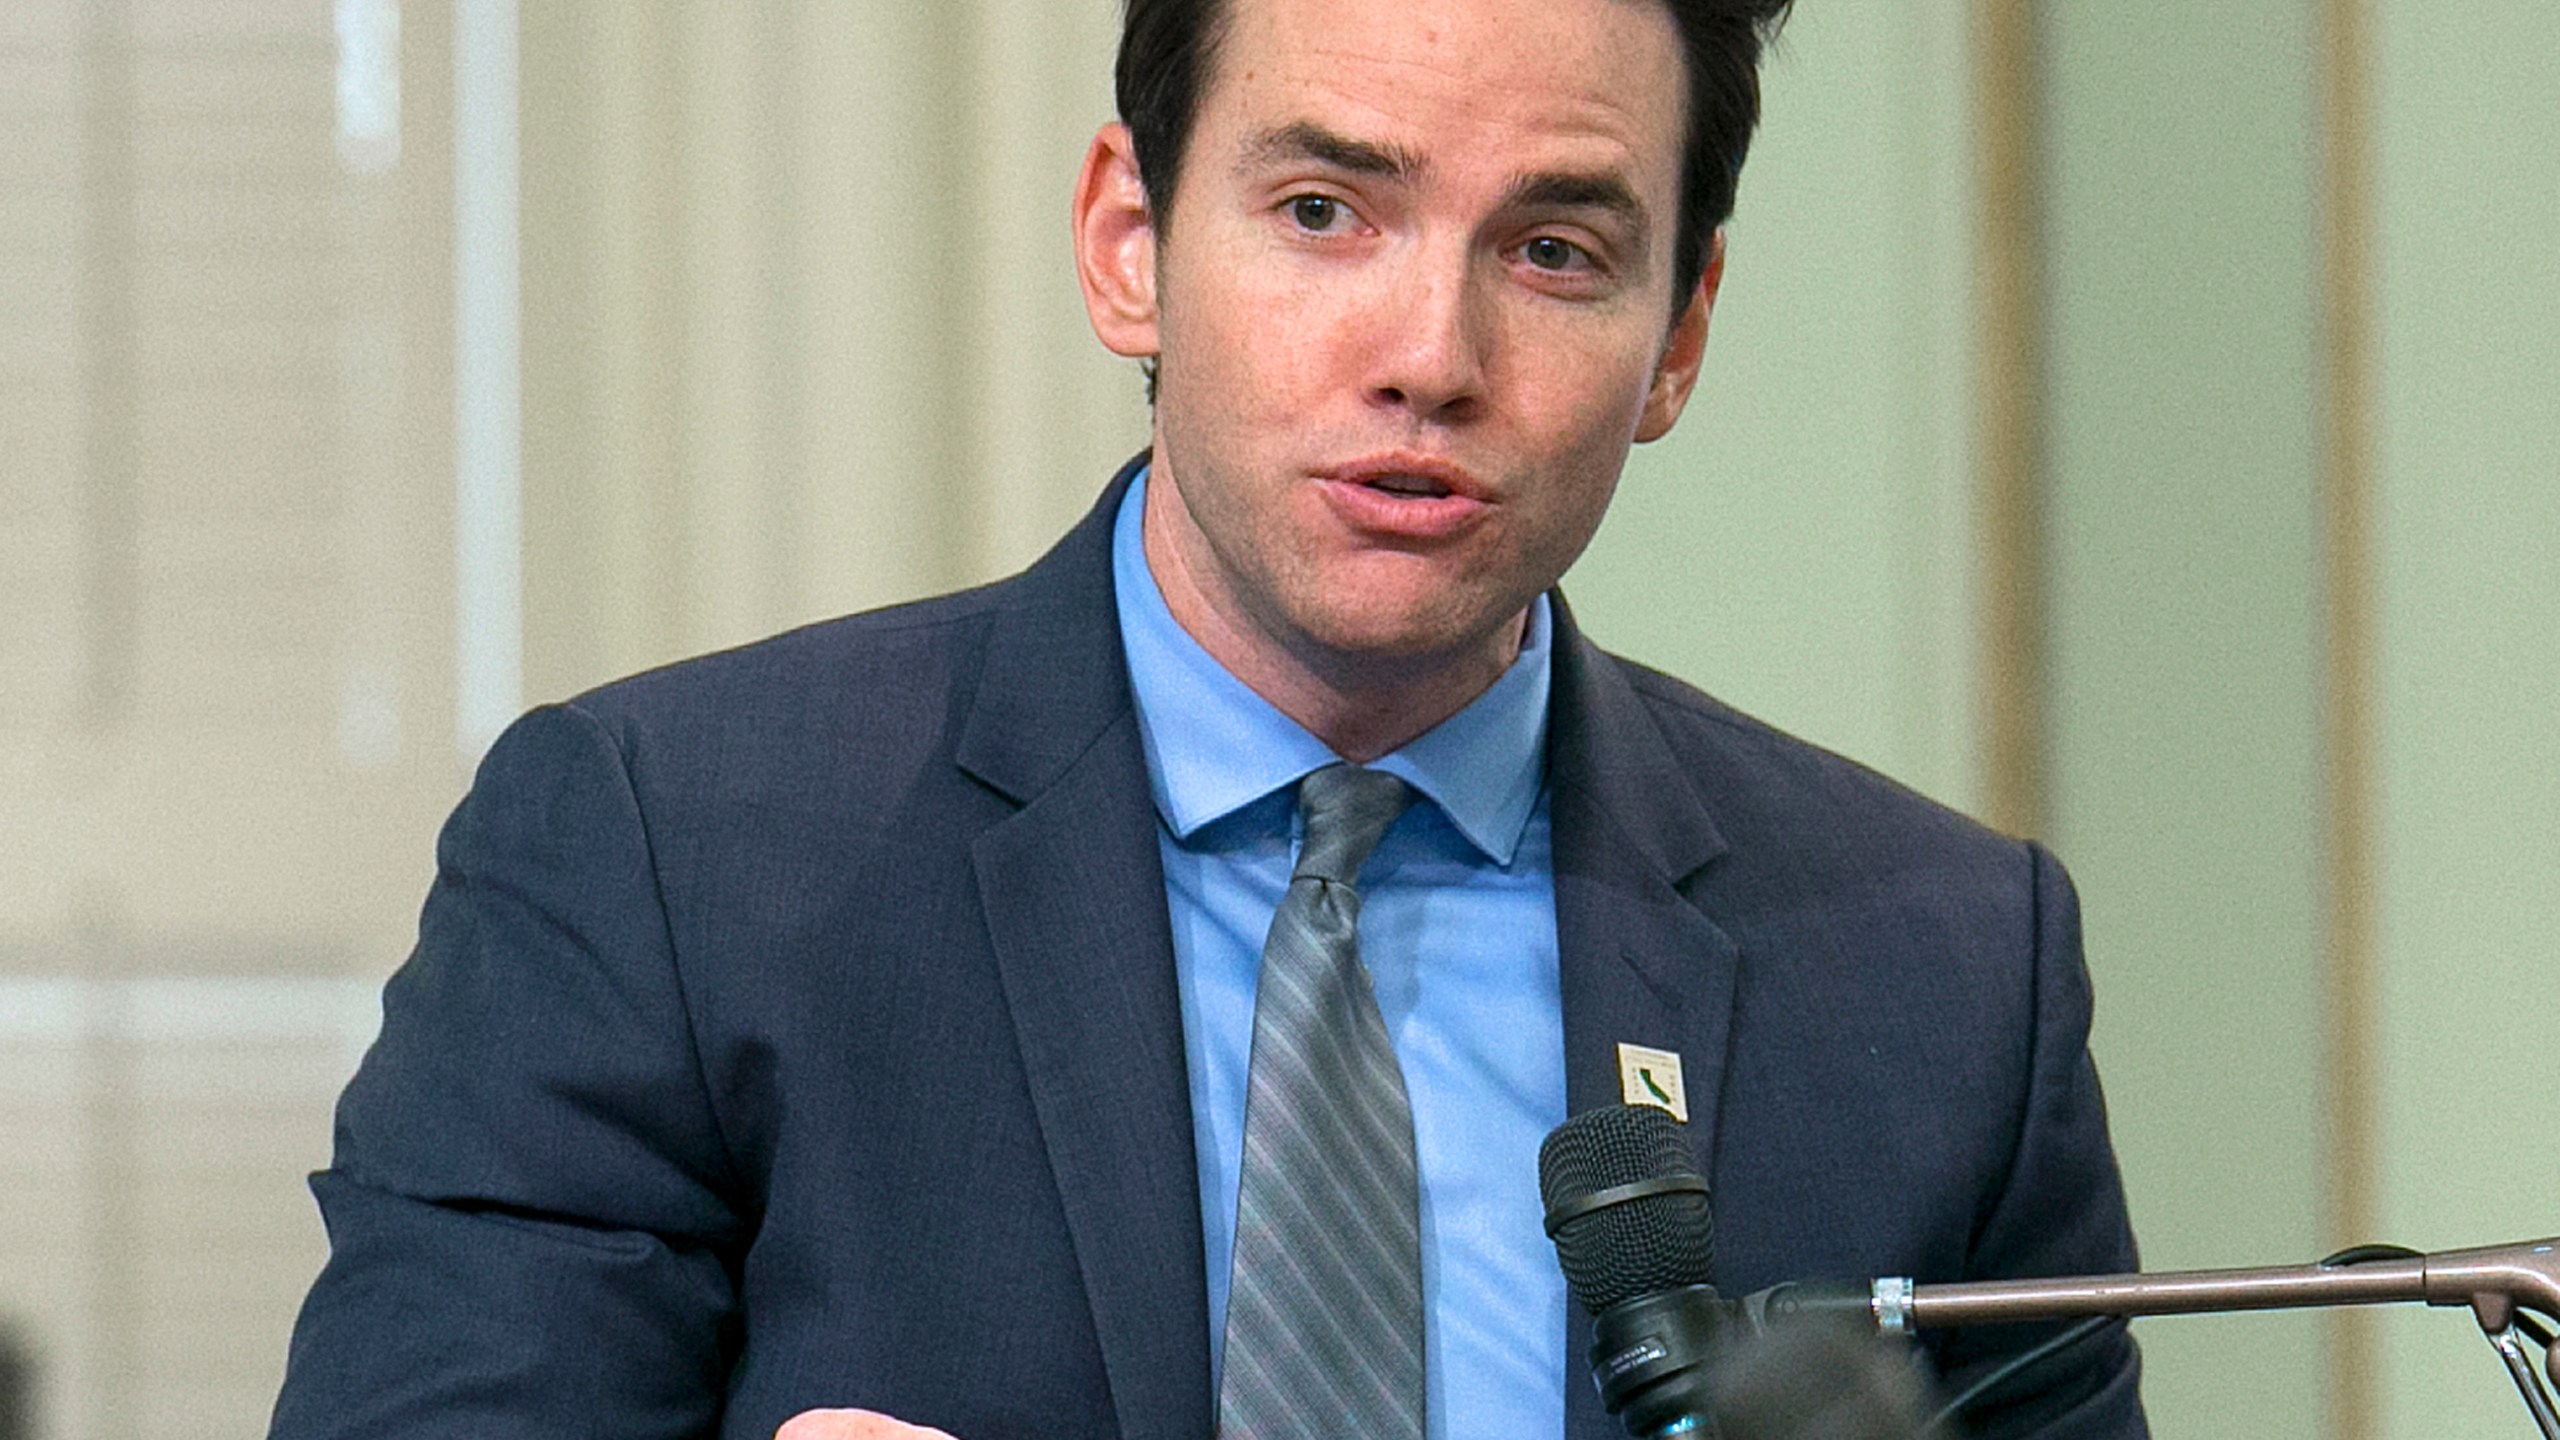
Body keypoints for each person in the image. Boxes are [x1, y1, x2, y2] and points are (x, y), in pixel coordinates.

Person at [269, 0, 2147, 1436]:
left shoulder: (1940, 978)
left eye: (1555, 252)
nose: (1432, 354)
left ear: (1682, 334)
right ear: (1127, 243)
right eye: (1327, 211)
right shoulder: (671, 862)